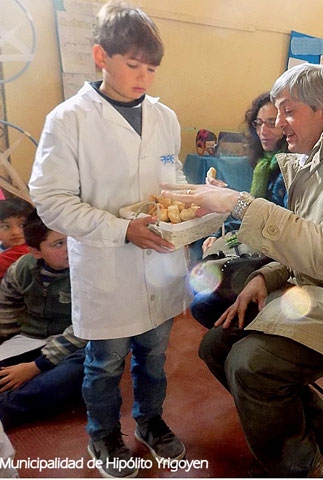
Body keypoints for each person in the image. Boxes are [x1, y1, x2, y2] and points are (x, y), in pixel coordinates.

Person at [161, 63, 323, 477]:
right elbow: (304, 240)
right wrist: (266, 277)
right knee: (216, 342)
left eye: (287, 111)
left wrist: (238, 205)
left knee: (250, 364)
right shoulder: (317, 157)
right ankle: (320, 432)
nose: (279, 123)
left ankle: (303, 470)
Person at [29, 2, 190, 477]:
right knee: (104, 362)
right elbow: (51, 200)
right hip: (107, 266)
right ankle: (103, 435)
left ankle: (150, 421)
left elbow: (169, 173)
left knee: (155, 355)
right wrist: (121, 229)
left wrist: (194, 195)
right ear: (101, 55)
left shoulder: (164, 117)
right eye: (133, 65)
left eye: (152, 69)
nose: (144, 77)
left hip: (159, 259)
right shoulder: (69, 120)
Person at [190, 92, 288, 328]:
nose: (263, 130)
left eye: (272, 123)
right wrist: (219, 235)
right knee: (200, 278)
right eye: (259, 123)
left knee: (204, 303)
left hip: (276, 258)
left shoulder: (290, 169)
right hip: (256, 248)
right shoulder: (264, 164)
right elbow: (251, 211)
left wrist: (233, 206)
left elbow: (274, 224)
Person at [0, 210, 86, 429]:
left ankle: (7, 408)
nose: (69, 248)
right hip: (29, 341)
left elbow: (84, 328)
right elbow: (6, 310)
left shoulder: (88, 271)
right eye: (58, 244)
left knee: (83, 366)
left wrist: (35, 366)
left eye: (71, 239)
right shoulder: (22, 270)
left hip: (75, 346)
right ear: (36, 251)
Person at [0, 197, 33, 279]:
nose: (15, 232)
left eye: (22, 225)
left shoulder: (26, 250)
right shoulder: (4, 246)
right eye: (5, 226)